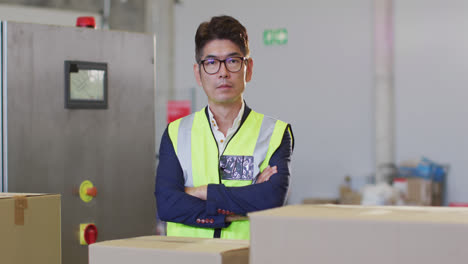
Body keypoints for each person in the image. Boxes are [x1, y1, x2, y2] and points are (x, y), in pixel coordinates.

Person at [155, 15, 294, 240]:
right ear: (198, 74)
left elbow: (270, 199)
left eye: (232, 61)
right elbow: (167, 204)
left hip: (248, 257)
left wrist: (200, 192)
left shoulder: (275, 133)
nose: (222, 72)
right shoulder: (176, 133)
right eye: (211, 62)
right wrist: (237, 212)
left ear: (248, 69)